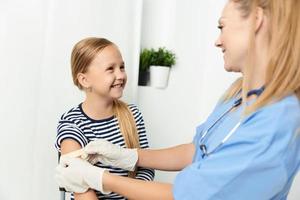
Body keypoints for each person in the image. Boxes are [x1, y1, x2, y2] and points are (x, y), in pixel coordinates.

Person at [55, 0, 300, 199]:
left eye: (222, 27)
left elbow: (187, 195)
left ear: (256, 21)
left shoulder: (275, 122)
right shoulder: (237, 95)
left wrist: (98, 177)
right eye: (110, 69)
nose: (217, 40)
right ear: (83, 79)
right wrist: (131, 156)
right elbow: (197, 150)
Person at [54, 37, 154, 200]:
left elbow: (146, 166)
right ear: (85, 80)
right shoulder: (73, 123)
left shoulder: (132, 114)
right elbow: (79, 187)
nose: (120, 75)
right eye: (110, 69)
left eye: (122, 67)